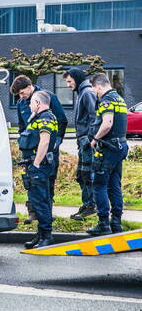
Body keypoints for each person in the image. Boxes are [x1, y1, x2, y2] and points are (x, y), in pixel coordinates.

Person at [11, 75, 67, 220]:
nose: (21, 96)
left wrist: (56, 142)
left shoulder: (48, 97)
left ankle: (47, 212)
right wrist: (22, 141)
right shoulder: (21, 103)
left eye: (22, 93)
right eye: (19, 95)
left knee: (48, 179)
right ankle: (33, 212)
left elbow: (61, 120)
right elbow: (22, 126)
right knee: (30, 180)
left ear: (29, 87)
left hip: (47, 148)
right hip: (29, 150)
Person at [87, 73, 129, 235]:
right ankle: (116, 222)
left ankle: (103, 223)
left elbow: (107, 123)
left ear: (98, 86)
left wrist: (95, 139)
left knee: (99, 184)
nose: (95, 93)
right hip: (120, 146)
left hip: (108, 148)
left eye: (94, 90)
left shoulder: (106, 101)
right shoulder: (119, 99)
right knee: (114, 184)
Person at [19, 90, 60, 249]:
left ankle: (47, 236)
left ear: (38, 103)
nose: (29, 105)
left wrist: (36, 163)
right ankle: (41, 234)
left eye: (31, 102)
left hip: (39, 165)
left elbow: (44, 141)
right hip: (37, 164)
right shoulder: (40, 117)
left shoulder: (45, 118)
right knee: (40, 200)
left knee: (41, 200)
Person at [62, 68, 98, 220]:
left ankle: (91, 206)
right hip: (83, 142)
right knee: (81, 175)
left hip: (87, 143)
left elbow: (95, 117)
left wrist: (89, 138)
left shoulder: (87, 93)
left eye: (69, 81)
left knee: (87, 175)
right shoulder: (82, 92)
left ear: (76, 78)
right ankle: (87, 204)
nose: (68, 85)